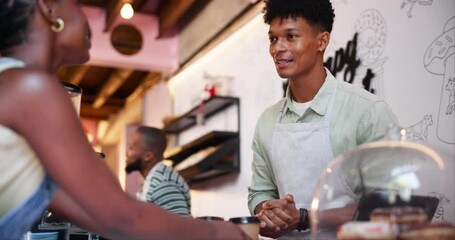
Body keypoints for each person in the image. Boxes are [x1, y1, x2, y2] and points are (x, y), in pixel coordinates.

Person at [0, 0, 247, 239]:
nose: (85, 16)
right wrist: (217, 232)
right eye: (76, 3)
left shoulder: (15, 83)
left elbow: (97, 215)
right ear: (50, 8)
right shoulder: (31, 88)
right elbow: (123, 219)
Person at [247, 0, 399, 238]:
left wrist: (305, 217)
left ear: (322, 41)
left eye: (291, 36)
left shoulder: (367, 112)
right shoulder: (267, 122)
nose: (278, 48)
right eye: (273, 39)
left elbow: (390, 206)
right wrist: (267, 212)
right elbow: (260, 192)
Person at [125, 126, 192, 216]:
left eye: (131, 148)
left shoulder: (163, 184)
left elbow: (180, 228)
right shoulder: (153, 180)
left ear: (148, 156)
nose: (126, 152)